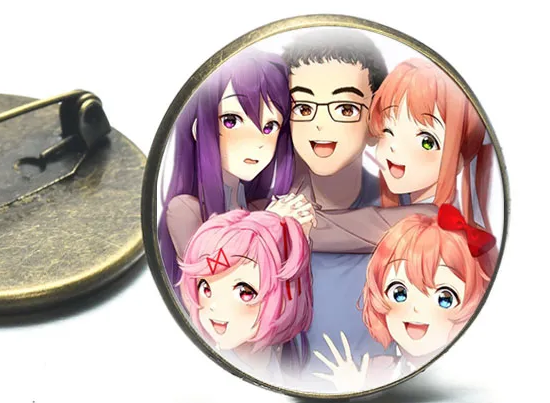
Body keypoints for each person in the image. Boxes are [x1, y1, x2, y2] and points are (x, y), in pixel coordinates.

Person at [280, 29, 434, 379]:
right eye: (303, 108)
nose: (321, 125)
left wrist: (296, 230)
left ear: (376, 117)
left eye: (345, 108)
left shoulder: (411, 209)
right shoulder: (267, 209)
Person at [159, 50, 313, 291]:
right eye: (231, 120)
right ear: (199, 127)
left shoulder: (252, 205)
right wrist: (267, 225)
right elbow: (208, 271)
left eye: (270, 126)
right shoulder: (184, 209)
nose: (256, 141)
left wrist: (296, 236)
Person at [314, 208, 493, 392]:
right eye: (399, 293)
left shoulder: (473, 374)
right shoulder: (378, 370)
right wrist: (354, 390)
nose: (416, 308)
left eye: (444, 298)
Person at [178, 209, 313, 385]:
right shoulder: (206, 365)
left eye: (244, 292)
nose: (214, 306)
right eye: (205, 288)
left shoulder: (283, 353)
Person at [368, 57, 494, 231]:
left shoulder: (444, 226)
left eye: (426, 142)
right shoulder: (385, 202)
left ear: (458, 160)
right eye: (387, 130)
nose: (394, 146)